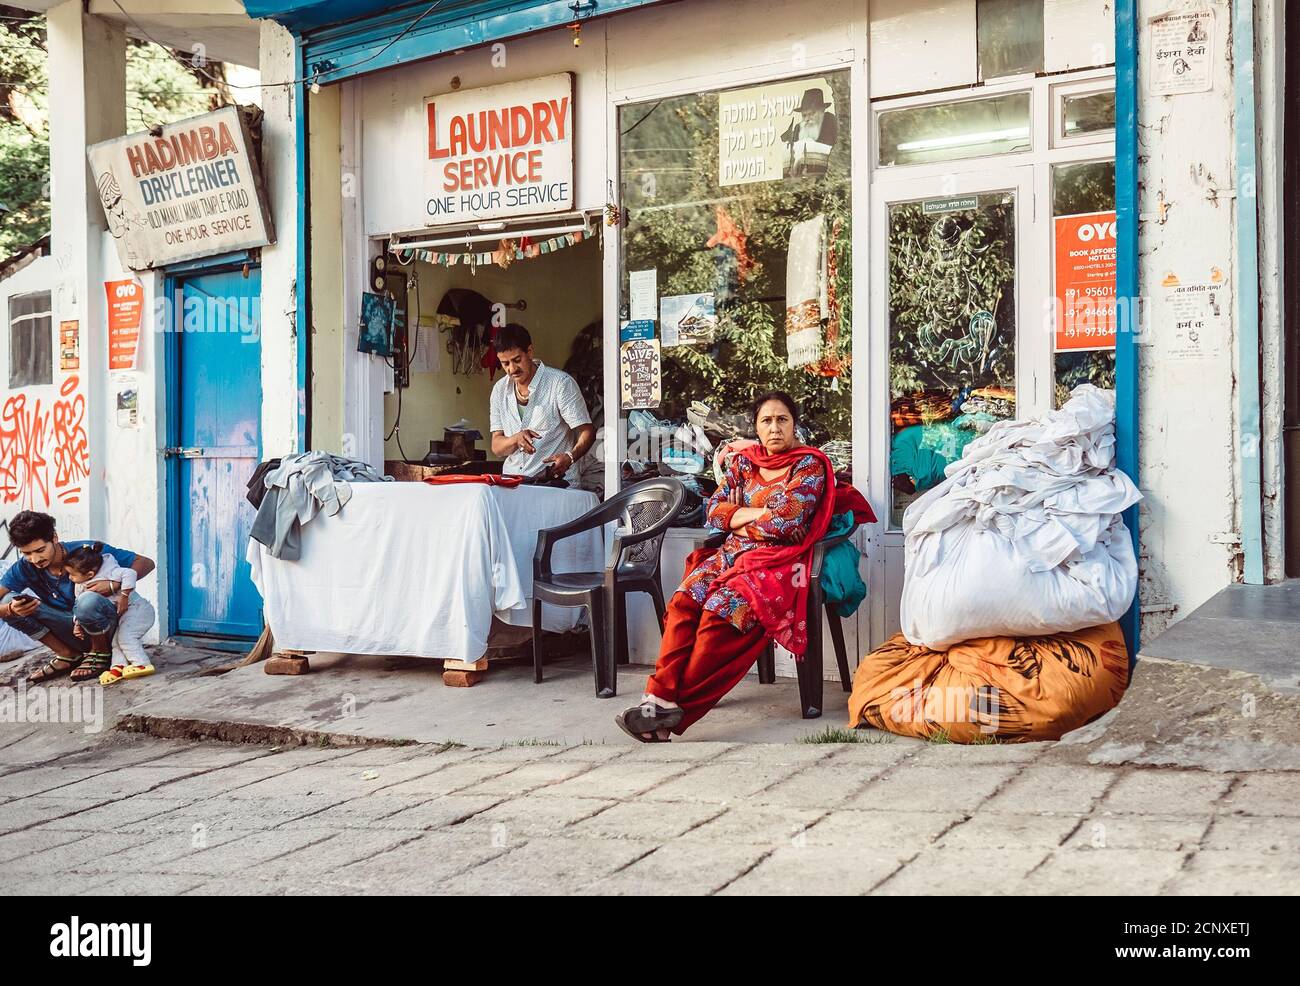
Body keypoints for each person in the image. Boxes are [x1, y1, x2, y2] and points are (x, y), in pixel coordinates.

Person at [615, 391, 837, 742]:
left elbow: (788, 523)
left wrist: (739, 517)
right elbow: (714, 511)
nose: (775, 428)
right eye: (767, 421)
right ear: (757, 428)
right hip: (730, 555)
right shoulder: (744, 463)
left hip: (778, 562)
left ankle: (667, 714)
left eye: (783, 420)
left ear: (794, 425)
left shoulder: (809, 465)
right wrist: (757, 516)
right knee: (684, 601)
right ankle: (658, 696)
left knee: (721, 615)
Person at [0, 511, 155, 684]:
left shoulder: (85, 551)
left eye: (40, 550)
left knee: (87, 600)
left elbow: (146, 563)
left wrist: (113, 585)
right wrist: (9, 610)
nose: (34, 559)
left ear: (54, 538)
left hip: (110, 628)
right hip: (74, 628)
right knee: (7, 602)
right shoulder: (24, 567)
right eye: (26, 553)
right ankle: (67, 655)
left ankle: (100, 652)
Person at [489, 323, 596, 484]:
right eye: (505, 364)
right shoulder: (499, 390)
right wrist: (515, 439)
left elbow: (587, 431)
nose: (512, 368)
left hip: (557, 483)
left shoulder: (560, 383)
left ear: (530, 352)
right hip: (513, 485)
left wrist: (570, 457)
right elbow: (497, 446)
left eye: (517, 360)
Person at [65, 542, 157, 685]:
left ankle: (141, 663)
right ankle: (118, 667)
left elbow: (130, 573)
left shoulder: (111, 571)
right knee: (116, 641)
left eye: (71, 575)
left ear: (89, 574)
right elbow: (79, 604)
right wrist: (77, 623)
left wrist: (124, 595)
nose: (69, 578)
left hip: (138, 610)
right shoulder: (80, 585)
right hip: (124, 615)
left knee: (126, 637)